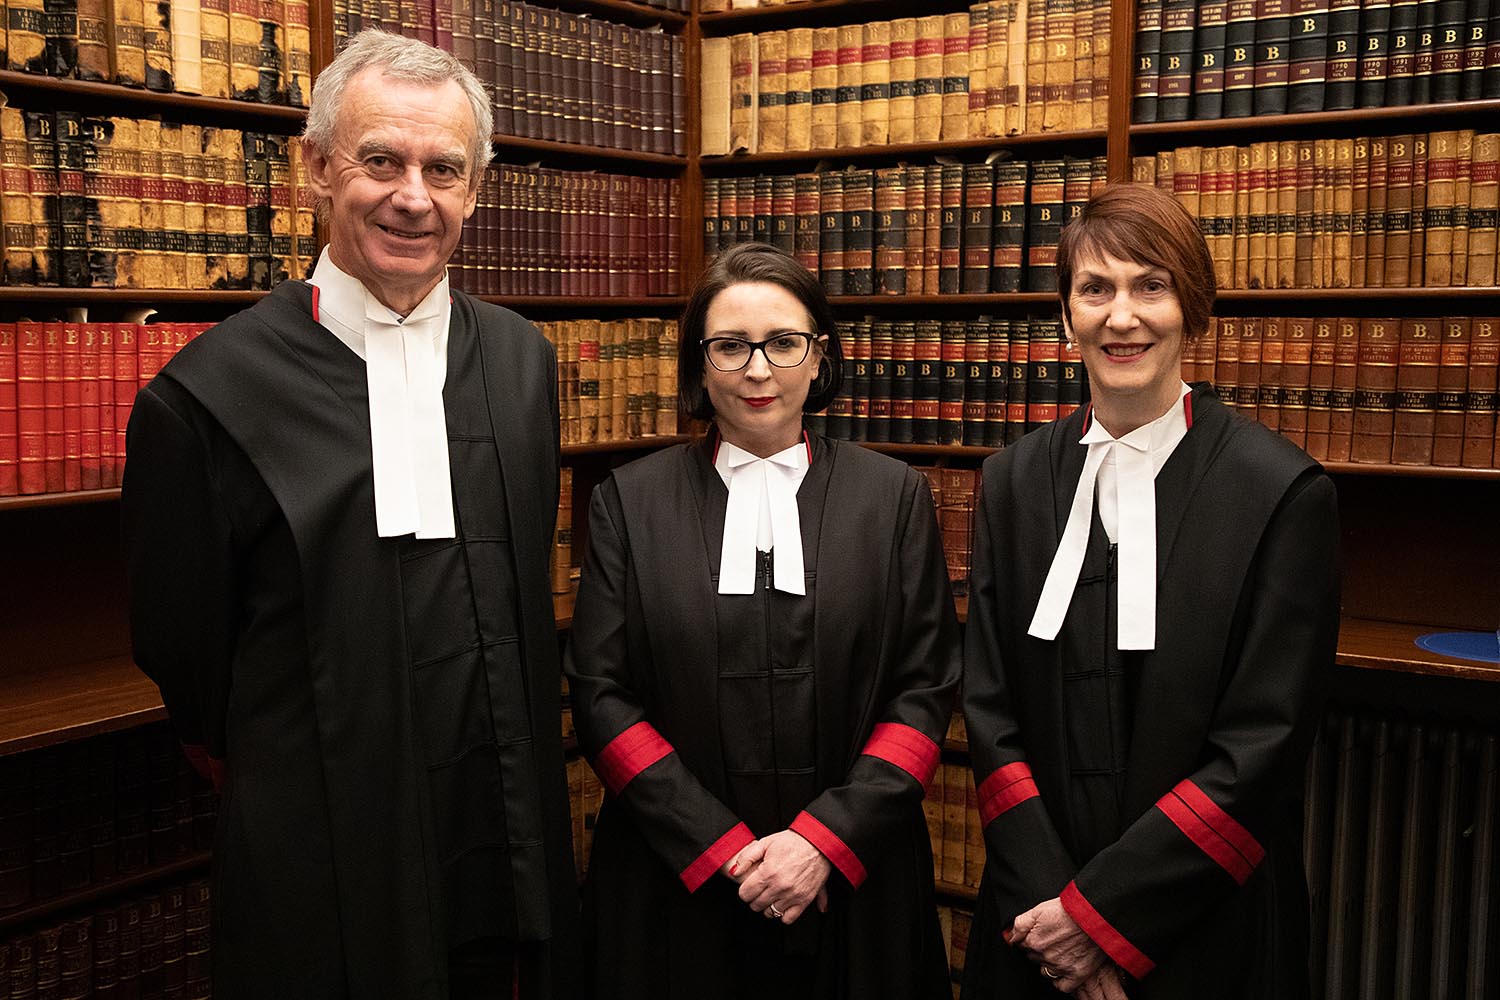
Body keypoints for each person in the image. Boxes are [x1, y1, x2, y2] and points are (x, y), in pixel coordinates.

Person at [121, 30, 578, 1000]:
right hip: (318, 842)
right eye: (381, 160)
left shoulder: (521, 363)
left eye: (443, 168)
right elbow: (187, 662)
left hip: (500, 823)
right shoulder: (205, 396)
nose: (414, 196)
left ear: (476, 188)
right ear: (316, 167)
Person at [960, 184, 1340, 1000]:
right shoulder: (1012, 482)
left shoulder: (1282, 494)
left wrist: (1104, 919)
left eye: (1150, 286)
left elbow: (1261, 752)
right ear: (1066, 317)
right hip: (1035, 924)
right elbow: (989, 710)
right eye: (1095, 289)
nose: (1121, 316)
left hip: (1203, 930)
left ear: (1192, 311)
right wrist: (1055, 914)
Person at [564, 242, 961, 999]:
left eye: (783, 343)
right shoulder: (628, 501)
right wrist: (718, 847)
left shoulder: (894, 497)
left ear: (820, 359)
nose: (757, 370)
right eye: (730, 346)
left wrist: (824, 840)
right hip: (673, 879)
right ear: (698, 363)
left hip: (855, 877)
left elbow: (925, 688)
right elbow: (600, 693)